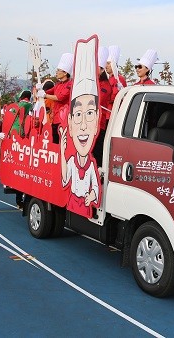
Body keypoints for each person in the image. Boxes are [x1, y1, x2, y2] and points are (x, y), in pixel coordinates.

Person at [60, 44, 100, 218]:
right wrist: (62, 151)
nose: (83, 125)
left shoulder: (91, 166)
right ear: (70, 121)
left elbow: (96, 187)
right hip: (72, 201)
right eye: (77, 114)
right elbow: (65, 178)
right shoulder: (71, 161)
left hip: (85, 205)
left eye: (89, 113)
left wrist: (92, 195)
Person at [41, 52, 73, 144]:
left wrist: (45, 95)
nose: (56, 72)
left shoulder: (70, 84)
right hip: (55, 118)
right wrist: (40, 90)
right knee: (54, 142)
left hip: (63, 119)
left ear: (65, 72)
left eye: (59, 70)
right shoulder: (58, 84)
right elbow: (48, 91)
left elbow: (60, 97)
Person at [92, 47, 112, 167]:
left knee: (97, 152)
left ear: (101, 69)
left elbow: (98, 100)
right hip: (87, 123)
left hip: (99, 123)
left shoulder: (105, 85)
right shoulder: (92, 82)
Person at [106, 45, 126, 125]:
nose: (106, 66)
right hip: (106, 113)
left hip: (113, 114)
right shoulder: (108, 79)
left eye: (108, 63)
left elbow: (115, 96)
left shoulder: (119, 79)